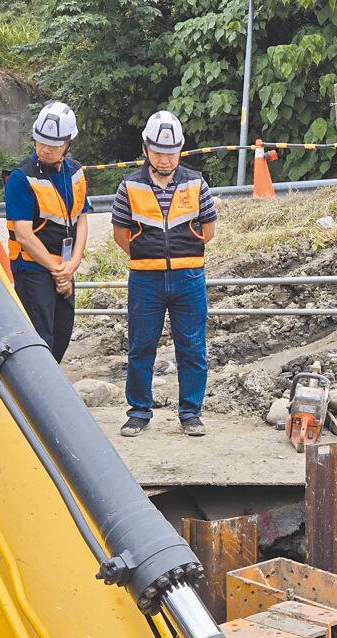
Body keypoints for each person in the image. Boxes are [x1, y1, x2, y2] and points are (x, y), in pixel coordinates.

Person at [111, 111, 217, 437]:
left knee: (193, 347)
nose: (165, 158)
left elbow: (209, 228)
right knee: (141, 348)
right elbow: (120, 233)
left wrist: (185, 251)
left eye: (171, 152)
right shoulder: (129, 186)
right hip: (146, 279)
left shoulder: (196, 182)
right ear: (146, 149)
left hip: (189, 277)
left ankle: (191, 413)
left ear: (180, 151)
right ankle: (139, 412)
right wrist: (146, 255)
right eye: (158, 151)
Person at [4, 101, 90, 362]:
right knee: (41, 337)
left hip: (64, 267)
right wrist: (57, 270)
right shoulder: (21, 178)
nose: (45, 149)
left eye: (53, 144)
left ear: (68, 144)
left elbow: (82, 219)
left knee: (62, 332)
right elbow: (24, 234)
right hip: (34, 270)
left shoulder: (75, 172)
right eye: (40, 142)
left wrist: (73, 264)